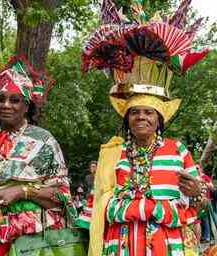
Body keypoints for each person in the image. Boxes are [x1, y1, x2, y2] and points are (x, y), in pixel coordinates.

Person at [81, 0, 210, 255]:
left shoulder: (178, 150)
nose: (141, 117)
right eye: (135, 112)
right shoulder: (112, 154)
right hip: (120, 247)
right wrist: (133, 207)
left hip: (169, 246)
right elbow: (98, 206)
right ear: (126, 118)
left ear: (159, 118)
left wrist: (197, 195)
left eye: (149, 112)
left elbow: (200, 206)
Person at [0, 56, 76, 256]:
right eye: (0, 99)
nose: (6, 105)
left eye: (15, 100)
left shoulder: (44, 141)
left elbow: (62, 198)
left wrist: (22, 191)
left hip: (28, 241)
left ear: (27, 106)